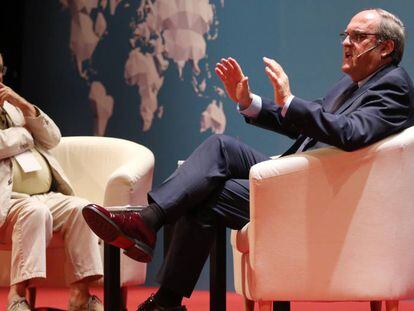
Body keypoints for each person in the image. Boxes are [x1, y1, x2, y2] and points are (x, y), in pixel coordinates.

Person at [82, 8, 414, 311]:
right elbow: (306, 122)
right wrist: (250, 101)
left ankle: (154, 254)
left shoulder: (394, 87)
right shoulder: (351, 84)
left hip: (322, 198)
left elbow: (350, 132)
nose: (347, 43)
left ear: (385, 47)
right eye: (346, 35)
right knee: (221, 149)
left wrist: (290, 100)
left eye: (358, 37)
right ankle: (150, 233)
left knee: (205, 194)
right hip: (299, 179)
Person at [0, 53, 103, 311]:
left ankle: (80, 296)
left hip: (45, 196)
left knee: (83, 210)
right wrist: (24, 136)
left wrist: (26, 107)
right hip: (8, 201)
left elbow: (53, 137)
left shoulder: (12, 108)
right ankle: (17, 298)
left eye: (0, 70)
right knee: (35, 212)